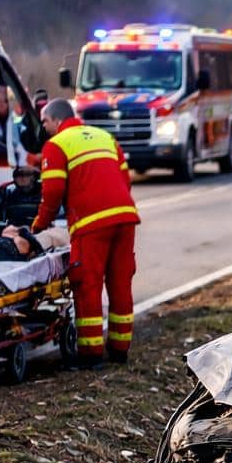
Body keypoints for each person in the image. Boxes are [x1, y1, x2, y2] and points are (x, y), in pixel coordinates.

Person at [30, 98, 139, 368]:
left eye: (45, 122)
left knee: (87, 285)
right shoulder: (105, 137)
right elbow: (125, 180)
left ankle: (91, 355)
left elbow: (52, 192)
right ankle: (119, 350)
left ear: (56, 120)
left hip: (91, 224)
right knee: (120, 282)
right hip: (125, 217)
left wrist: (40, 226)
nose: (44, 128)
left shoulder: (56, 145)